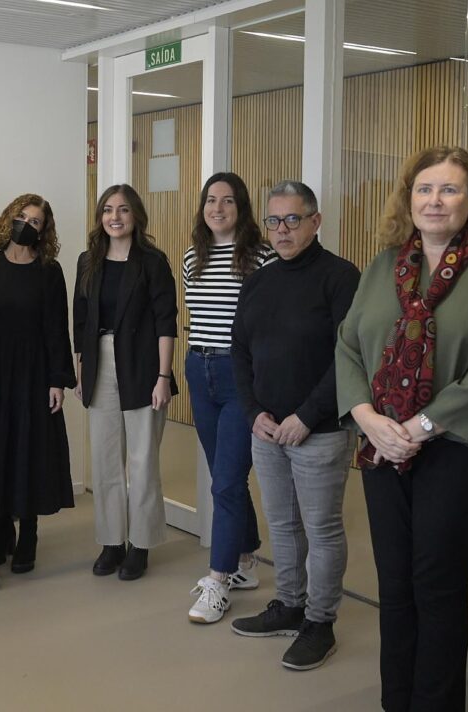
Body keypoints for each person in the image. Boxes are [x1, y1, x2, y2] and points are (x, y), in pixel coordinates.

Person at [336, 146, 468, 710]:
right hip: (382, 447)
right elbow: (347, 346)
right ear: (409, 199)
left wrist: (419, 426)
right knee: (395, 586)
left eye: (449, 189)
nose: (435, 200)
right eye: (424, 188)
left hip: (459, 449)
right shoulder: (384, 265)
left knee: (437, 588)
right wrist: (367, 418)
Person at [230, 180, 359, 670]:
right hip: (267, 431)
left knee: (321, 529)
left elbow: (349, 358)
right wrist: (253, 413)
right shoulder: (258, 282)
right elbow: (240, 352)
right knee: (282, 524)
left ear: (315, 221)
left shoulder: (341, 278)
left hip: (319, 431)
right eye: (273, 221)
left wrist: (306, 416)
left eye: (292, 219)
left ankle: (320, 623)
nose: (282, 230)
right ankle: (289, 605)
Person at [0, 194, 76, 574]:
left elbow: (57, 328)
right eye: (23, 216)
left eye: (36, 221)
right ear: (10, 218)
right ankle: (2, 531)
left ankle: (28, 532)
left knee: (30, 450)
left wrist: (58, 381)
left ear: (44, 231)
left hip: (33, 374)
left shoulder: (49, 271)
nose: (27, 224)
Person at [183, 173, 275, 624]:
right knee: (227, 476)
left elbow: (270, 323)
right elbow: (196, 314)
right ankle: (245, 558)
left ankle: (218, 580)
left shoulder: (261, 257)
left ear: (242, 207)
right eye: (210, 200)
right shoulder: (192, 257)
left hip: (241, 377)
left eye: (227, 201)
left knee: (225, 480)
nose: (217, 208)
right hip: (199, 369)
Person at [73, 184, 178, 581]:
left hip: (143, 363)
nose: (114, 217)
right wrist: (81, 370)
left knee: (142, 459)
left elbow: (166, 322)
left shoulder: (152, 261)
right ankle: (112, 541)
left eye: (122, 210)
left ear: (136, 216)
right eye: (107, 210)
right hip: (99, 361)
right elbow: (80, 320)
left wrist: (163, 376)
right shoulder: (88, 261)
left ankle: (141, 544)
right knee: (105, 459)